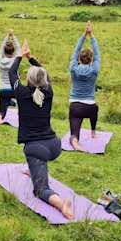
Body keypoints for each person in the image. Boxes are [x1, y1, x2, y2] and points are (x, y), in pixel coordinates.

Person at [11, 39, 73, 220]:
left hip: (37, 150)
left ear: (28, 81)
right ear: (44, 81)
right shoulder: (48, 92)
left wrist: (20, 56)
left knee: (40, 189)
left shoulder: (21, 94)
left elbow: (12, 72)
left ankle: (62, 205)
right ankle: (33, 169)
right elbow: (45, 75)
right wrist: (31, 58)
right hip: (55, 145)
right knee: (36, 163)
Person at [68, 22, 101, 151]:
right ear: (91, 60)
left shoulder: (73, 68)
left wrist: (83, 35)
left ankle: (75, 141)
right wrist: (91, 35)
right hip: (90, 107)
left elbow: (76, 51)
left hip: (75, 106)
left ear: (79, 59)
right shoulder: (94, 70)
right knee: (95, 109)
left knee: (74, 134)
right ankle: (93, 130)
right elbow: (97, 54)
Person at [0, 30, 20, 124]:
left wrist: (6, 37)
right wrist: (13, 36)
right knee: (21, 101)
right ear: (13, 52)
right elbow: (19, 49)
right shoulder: (16, 61)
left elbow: (0, 49)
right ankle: (20, 113)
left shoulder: (0, 61)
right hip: (15, 89)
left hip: (3, 89)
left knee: (2, 108)